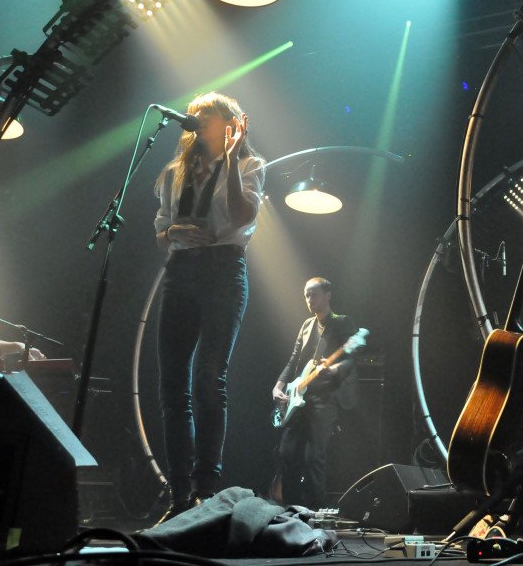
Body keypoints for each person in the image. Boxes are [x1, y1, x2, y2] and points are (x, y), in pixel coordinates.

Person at [153, 92, 265, 521]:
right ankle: (179, 495)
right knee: (172, 387)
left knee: (207, 378)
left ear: (231, 124)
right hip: (180, 271)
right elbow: (160, 230)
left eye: (206, 114)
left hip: (223, 270)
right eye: (194, 114)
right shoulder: (173, 173)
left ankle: (206, 490)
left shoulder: (251, 166)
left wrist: (233, 161)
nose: (196, 119)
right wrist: (172, 232)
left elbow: (240, 217)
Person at [273, 277, 366, 510]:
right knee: (287, 453)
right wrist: (279, 386)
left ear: (328, 295)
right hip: (299, 395)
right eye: (306, 295)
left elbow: (351, 358)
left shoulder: (342, 323)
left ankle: (317, 511)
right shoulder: (306, 326)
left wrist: (334, 368)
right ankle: (292, 509)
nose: (309, 299)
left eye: (314, 294)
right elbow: (294, 359)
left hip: (325, 398)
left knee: (314, 457)